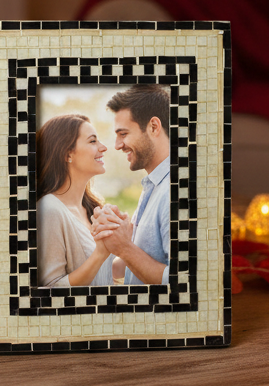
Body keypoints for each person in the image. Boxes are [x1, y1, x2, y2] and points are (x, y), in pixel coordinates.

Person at [91, 85, 170, 285]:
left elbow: (182, 282)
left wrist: (124, 247)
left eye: (123, 134)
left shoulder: (173, 192)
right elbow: (135, 264)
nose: (117, 145)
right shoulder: (152, 185)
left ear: (154, 127)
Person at [35, 113, 114, 287]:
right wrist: (100, 253)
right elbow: (50, 289)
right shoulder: (49, 210)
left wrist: (126, 244)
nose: (103, 147)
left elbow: (103, 270)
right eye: (92, 141)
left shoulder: (92, 207)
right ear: (67, 154)